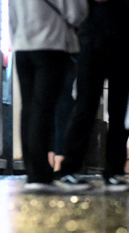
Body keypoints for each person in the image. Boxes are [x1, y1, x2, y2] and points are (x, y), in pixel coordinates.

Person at [56, 0, 129, 193]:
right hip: (92, 38)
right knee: (86, 106)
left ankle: (114, 172)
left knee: (118, 110)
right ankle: (70, 168)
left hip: (124, 39)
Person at [10, 0, 87, 193]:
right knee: (43, 108)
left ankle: (33, 172)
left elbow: (11, 15)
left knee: (28, 109)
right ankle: (39, 175)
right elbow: (76, 12)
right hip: (50, 44)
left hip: (22, 46)